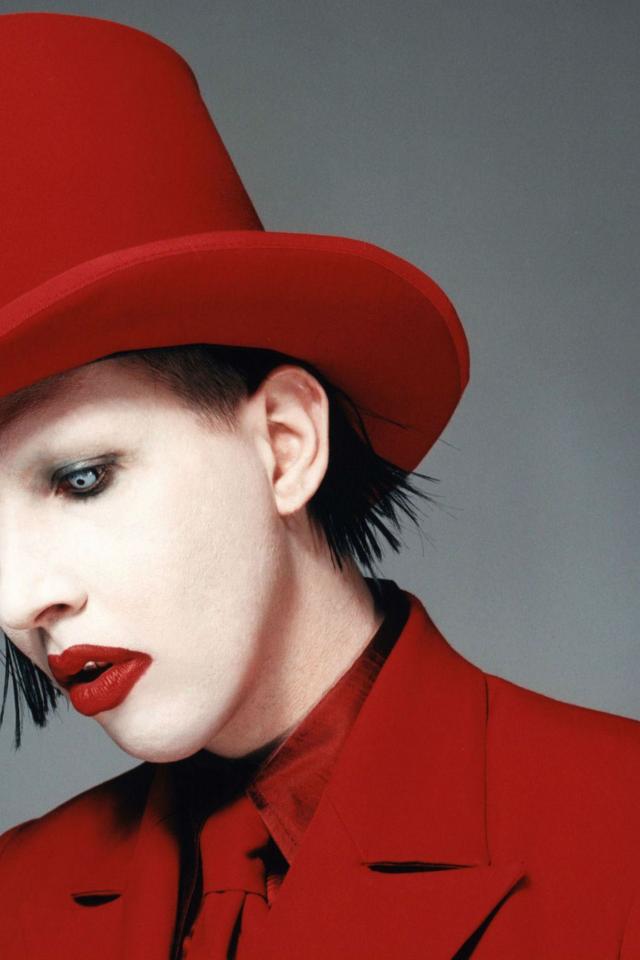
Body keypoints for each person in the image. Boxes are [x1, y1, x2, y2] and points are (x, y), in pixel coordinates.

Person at [0, 11, 638, 960]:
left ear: (286, 443)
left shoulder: (619, 844)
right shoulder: (15, 900)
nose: (19, 600)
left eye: (83, 477)